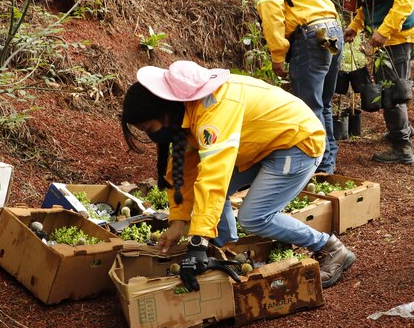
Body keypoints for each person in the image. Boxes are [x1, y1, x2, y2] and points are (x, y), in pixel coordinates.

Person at [121, 60, 357, 289]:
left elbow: (214, 177)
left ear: (164, 111)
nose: (152, 137)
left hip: (297, 143)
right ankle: (224, 245)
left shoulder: (213, 112)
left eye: (149, 130)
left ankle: (331, 248)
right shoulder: (190, 108)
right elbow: (185, 171)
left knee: (254, 217)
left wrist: (197, 241)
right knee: (209, 195)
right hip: (264, 146)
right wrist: (178, 222)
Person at [246, 0, 344, 175]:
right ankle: (326, 164)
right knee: (324, 103)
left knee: (309, 107)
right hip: (332, 33)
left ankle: (315, 167)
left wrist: (277, 54)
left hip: (310, 37)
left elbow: (271, 13)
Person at [331, 0, 414, 165]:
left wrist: (384, 31)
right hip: (390, 35)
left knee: (391, 91)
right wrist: (355, 27)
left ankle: (402, 148)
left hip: (398, 35)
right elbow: (369, 4)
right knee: (394, 87)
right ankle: (402, 130)